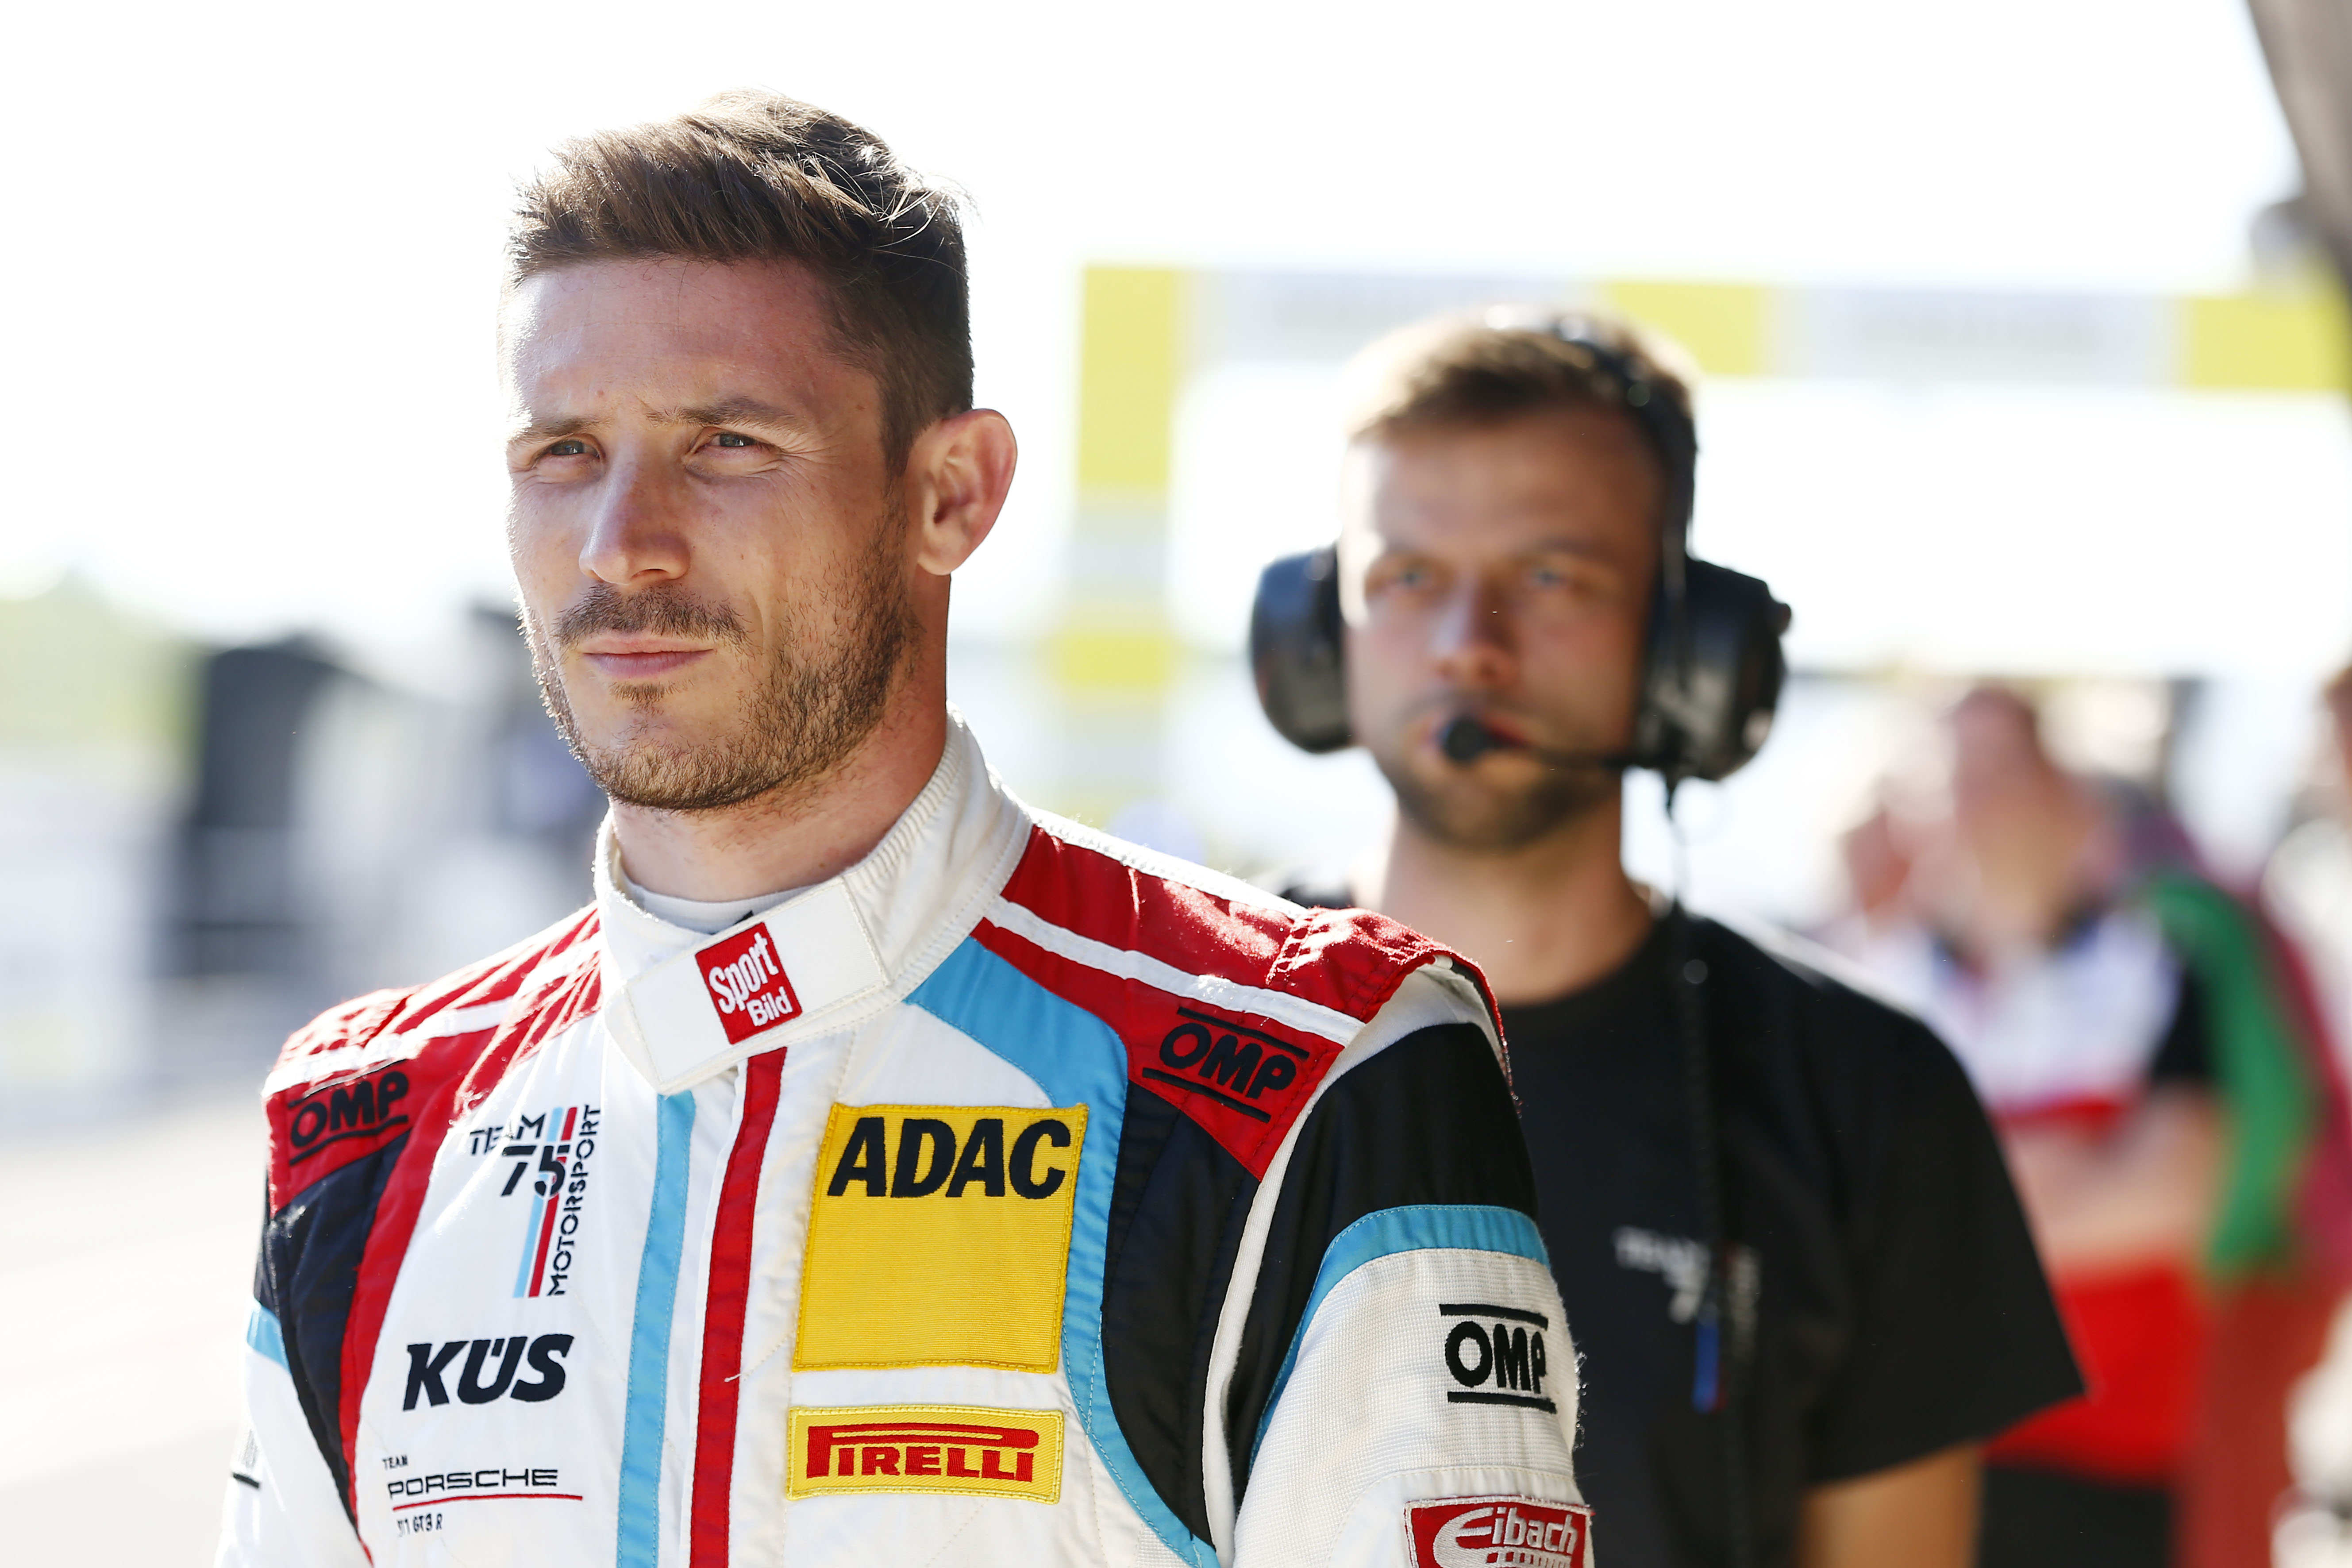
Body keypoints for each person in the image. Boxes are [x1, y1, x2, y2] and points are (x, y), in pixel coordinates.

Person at [216, 93, 1588, 1568]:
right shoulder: (368, 1125)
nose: (623, 543)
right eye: (562, 452)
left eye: (727, 443)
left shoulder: (1315, 1072)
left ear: (952, 493)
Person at [1270, 312, 2080, 1568]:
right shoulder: (1150, 1030)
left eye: (1551, 576)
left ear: (1689, 649)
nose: (1468, 642)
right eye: (1406, 576)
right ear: (1319, 637)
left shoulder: (1869, 1096)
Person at [1850, 685, 2336, 1568]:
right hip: (1935, 1453)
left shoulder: (2155, 967)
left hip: (2120, 1454)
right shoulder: (1870, 989)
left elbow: (2178, 1191)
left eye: (2002, 766)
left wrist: (1959, 1196)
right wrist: (2078, 1172)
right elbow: (1859, 1221)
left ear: (2062, 784)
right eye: (1953, 771)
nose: (1978, 798)